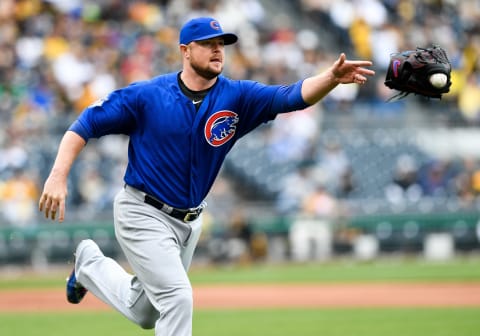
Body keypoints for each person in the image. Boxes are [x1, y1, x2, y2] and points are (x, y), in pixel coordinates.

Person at [38, 17, 374, 336]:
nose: (217, 50)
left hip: (189, 222)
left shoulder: (237, 96)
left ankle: (88, 265)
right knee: (177, 298)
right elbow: (84, 125)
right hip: (142, 211)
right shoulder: (147, 96)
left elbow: (291, 96)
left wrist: (330, 79)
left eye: (222, 44)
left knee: (144, 312)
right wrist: (57, 176)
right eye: (207, 43)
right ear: (185, 50)